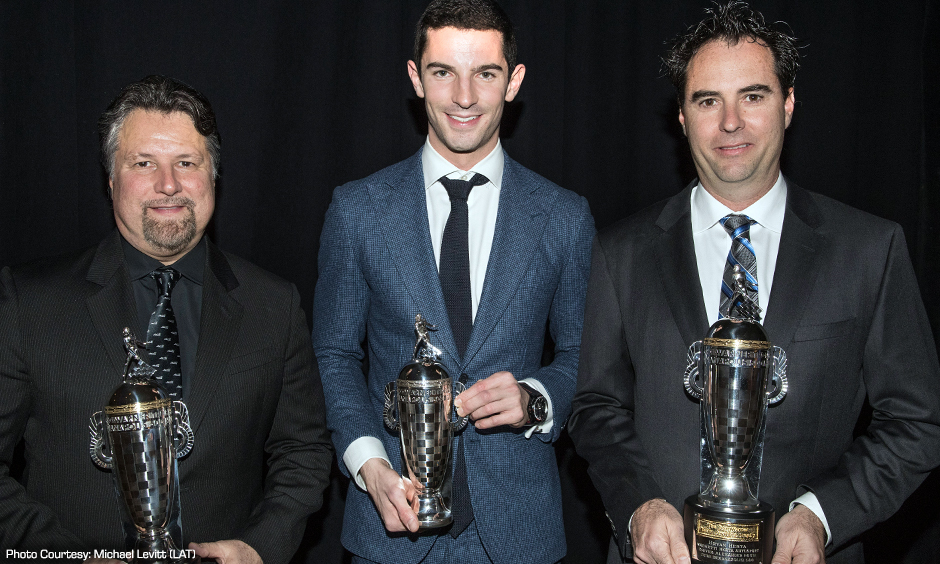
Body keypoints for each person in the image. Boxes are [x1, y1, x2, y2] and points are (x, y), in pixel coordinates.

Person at [568, 2, 940, 564]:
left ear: (788, 105)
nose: (731, 122)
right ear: (682, 116)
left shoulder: (869, 250)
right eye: (708, 100)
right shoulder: (621, 251)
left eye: (754, 96)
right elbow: (595, 405)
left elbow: (918, 422)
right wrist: (638, 504)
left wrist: (822, 516)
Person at [0, 75, 333, 564]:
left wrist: (258, 547)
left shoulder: (273, 305)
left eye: (186, 162)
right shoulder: (28, 302)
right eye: (143, 164)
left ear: (212, 175)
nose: (169, 184)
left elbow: (303, 452)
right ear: (111, 180)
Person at [311, 1, 594, 562]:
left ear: (513, 82)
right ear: (416, 78)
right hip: (389, 524)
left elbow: (584, 356)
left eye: (485, 74)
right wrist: (370, 465)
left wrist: (536, 401)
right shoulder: (357, 210)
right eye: (443, 73)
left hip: (519, 533)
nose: (464, 97)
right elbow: (336, 353)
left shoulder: (563, 216)